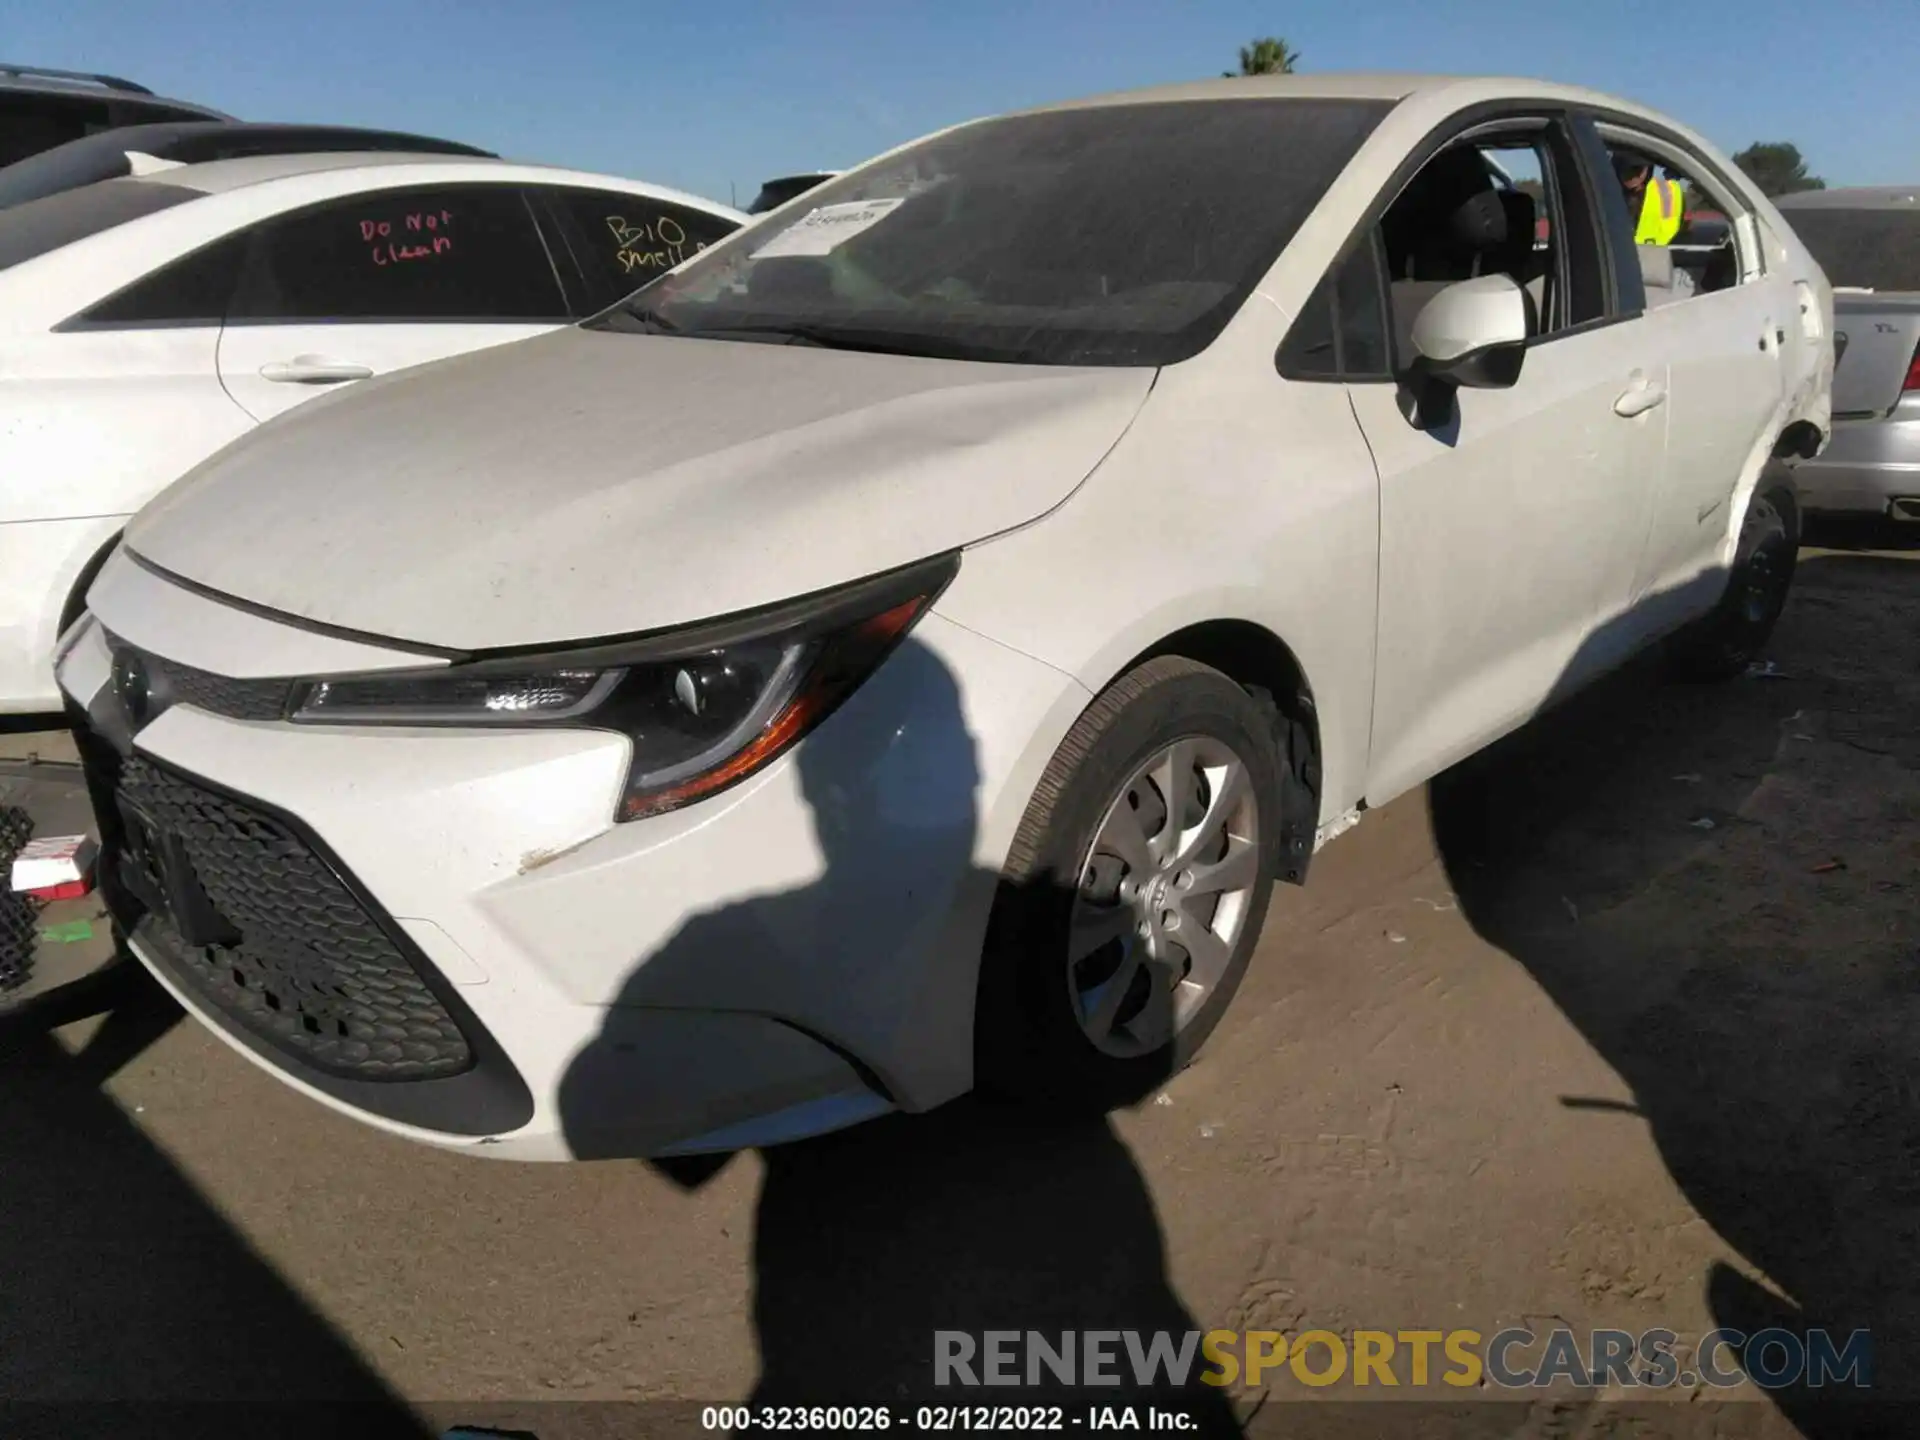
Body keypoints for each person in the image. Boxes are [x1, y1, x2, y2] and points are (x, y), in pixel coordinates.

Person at [1614, 152, 1684, 246]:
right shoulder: (1599, 191)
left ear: (1647, 170)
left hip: (1653, 255)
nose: (1633, 176)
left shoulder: (1666, 192)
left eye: (1637, 169)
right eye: (1626, 169)